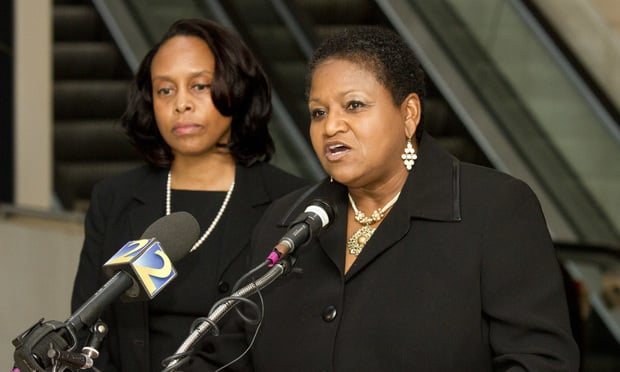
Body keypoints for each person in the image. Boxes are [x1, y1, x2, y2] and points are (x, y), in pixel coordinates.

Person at [238, 26, 580, 371]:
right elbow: (232, 351)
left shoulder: (494, 209)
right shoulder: (285, 220)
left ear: (409, 114)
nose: (330, 127)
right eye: (318, 112)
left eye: (354, 105)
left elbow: (540, 361)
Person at [70, 18, 307, 372]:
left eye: (199, 86)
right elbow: (85, 331)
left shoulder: (290, 202)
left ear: (236, 88)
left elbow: (298, 340)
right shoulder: (114, 198)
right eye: (165, 90)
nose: (181, 103)